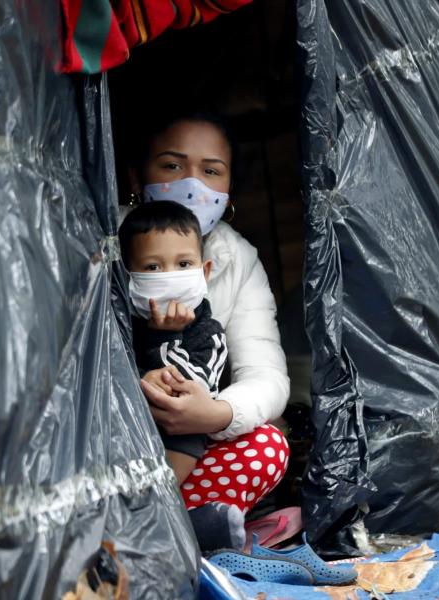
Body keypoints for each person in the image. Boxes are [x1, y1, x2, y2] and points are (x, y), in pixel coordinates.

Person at [124, 111, 290, 550]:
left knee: (268, 446)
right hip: (115, 436)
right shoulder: (104, 239)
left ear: (229, 188)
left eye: (211, 171)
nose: (192, 184)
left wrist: (214, 415)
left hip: (190, 437)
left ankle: (164, 528)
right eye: (172, 166)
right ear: (136, 177)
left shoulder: (238, 259)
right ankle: (180, 531)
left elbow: (268, 377)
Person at [119, 200, 228, 485]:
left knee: (187, 438)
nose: (169, 276)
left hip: (178, 434)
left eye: (183, 264)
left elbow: (194, 390)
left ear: (204, 272)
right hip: (125, 432)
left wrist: (165, 338)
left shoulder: (209, 333)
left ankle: (166, 504)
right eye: (153, 267)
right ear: (128, 275)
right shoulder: (117, 320)